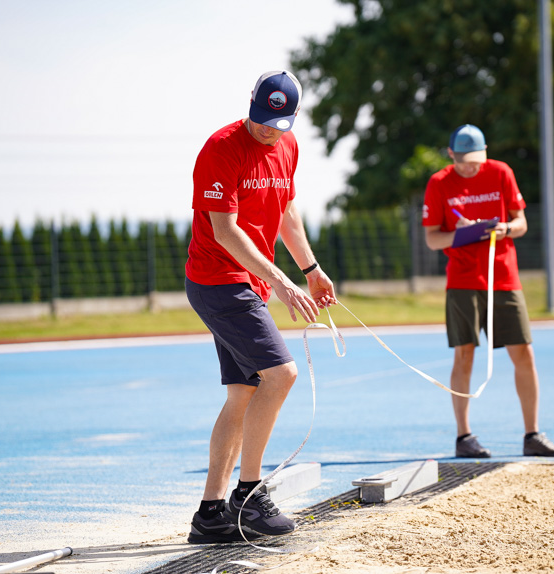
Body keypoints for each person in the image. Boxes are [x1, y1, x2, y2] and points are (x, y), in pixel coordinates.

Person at [184, 70, 336, 544]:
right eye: (262, 118)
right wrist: (283, 281)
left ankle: (210, 513)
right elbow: (226, 230)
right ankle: (249, 499)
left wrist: (310, 269)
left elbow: (287, 210)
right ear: (250, 104)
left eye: (279, 122)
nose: (268, 129)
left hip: (249, 282)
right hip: (218, 279)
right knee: (281, 374)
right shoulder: (221, 148)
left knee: (243, 392)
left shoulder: (287, 148)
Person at [422, 124, 554, 459]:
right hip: (462, 281)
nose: (472, 166)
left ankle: (532, 434)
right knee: (465, 353)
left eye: (477, 159)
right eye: (464, 160)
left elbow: (521, 223)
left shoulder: (501, 172)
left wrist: (504, 229)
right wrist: (465, 236)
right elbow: (431, 238)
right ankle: (464, 437)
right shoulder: (439, 183)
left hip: (503, 276)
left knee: (524, 352)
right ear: (450, 154)